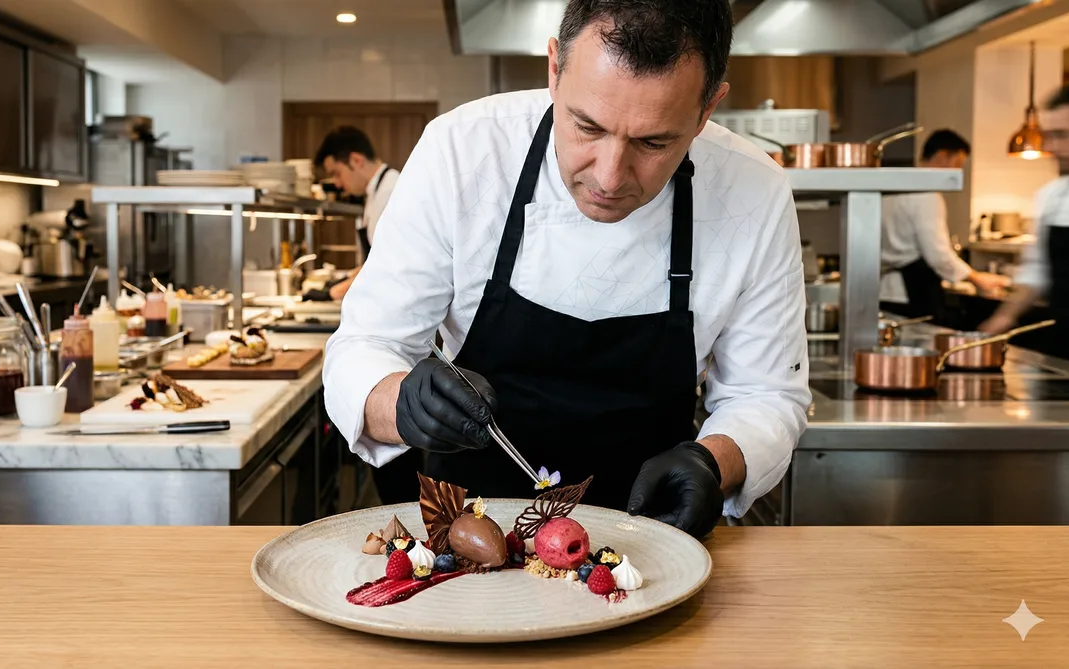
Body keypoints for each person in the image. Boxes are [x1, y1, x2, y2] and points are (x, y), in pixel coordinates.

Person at [322, 0, 811, 538]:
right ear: (554, 70)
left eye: (654, 142)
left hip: (650, 540)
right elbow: (364, 345)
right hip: (466, 543)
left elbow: (765, 395)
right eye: (586, 125)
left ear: (707, 109)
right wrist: (403, 403)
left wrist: (715, 462)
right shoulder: (463, 151)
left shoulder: (754, 192)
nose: (609, 175)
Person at [880, 130, 1010, 318]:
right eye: (957, 164)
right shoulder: (926, 194)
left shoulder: (893, 190)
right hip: (912, 292)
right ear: (942, 156)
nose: (957, 173)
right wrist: (976, 278)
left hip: (885, 290)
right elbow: (937, 254)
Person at [982, 85, 1069, 342]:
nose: (1052, 147)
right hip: (1065, 341)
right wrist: (1003, 317)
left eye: (1062, 135)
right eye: (1049, 136)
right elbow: (1037, 270)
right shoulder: (1050, 196)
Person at [306, 126, 400, 301]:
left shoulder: (390, 192)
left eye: (337, 174)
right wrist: (346, 278)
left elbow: (385, 265)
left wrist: (333, 293)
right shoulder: (376, 191)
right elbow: (374, 259)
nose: (338, 184)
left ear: (356, 160)